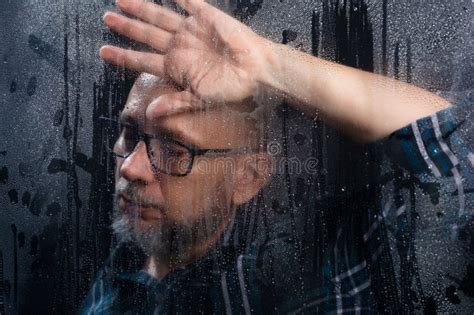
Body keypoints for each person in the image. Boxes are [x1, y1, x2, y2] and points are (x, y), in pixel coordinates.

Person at [84, 0, 473, 313]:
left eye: (174, 149)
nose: (131, 168)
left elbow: (458, 165)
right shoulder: (110, 272)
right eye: (131, 134)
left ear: (248, 177)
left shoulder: (304, 281)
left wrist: (271, 65)